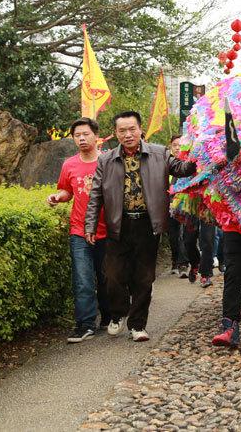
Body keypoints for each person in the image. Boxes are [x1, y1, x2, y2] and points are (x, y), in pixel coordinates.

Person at [85, 111, 196, 342]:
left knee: (144, 278)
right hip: (118, 224)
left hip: (148, 224)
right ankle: (118, 314)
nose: (128, 135)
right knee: (113, 276)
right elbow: (95, 195)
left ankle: (138, 325)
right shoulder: (106, 160)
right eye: (122, 131)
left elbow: (184, 169)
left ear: (140, 129)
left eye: (132, 129)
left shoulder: (159, 153)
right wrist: (91, 225)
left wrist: (200, 153)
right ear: (115, 133)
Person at [47, 117, 110, 343]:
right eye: (77, 135)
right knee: (83, 279)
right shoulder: (69, 165)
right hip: (79, 231)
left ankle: (109, 316)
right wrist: (57, 197)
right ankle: (84, 324)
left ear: (96, 136)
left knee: (106, 278)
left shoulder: (109, 161)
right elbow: (66, 191)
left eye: (86, 134)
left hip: (108, 231)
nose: (82, 138)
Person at [167, 135, 190, 277]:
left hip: (185, 206)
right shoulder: (165, 163)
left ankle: (183, 265)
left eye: (180, 145)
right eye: (175, 145)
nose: (177, 148)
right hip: (168, 205)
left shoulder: (187, 164)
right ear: (170, 147)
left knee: (183, 235)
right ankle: (175, 261)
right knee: (172, 236)